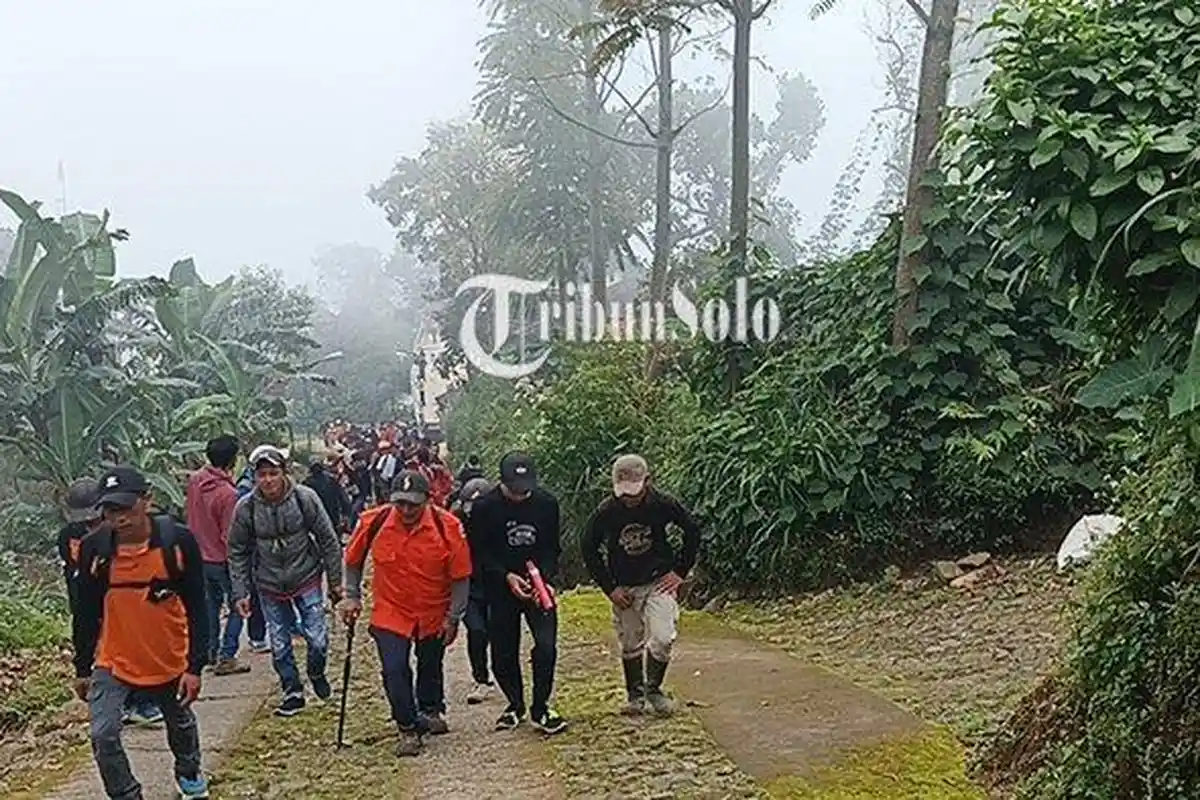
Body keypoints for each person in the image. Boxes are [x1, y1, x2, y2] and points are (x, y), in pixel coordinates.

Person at [71, 466, 211, 799]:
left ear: (146, 500)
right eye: (110, 509)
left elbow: (197, 605)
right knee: (103, 734)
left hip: (168, 653)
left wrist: (195, 666)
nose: (118, 517)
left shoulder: (177, 542)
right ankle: (125, 794)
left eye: (124, 507)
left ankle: (189, 771)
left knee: (179, 722)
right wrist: (82, 668)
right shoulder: (95, 549)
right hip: (114, 656)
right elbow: (86, 613)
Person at [340, 470, 472, 756]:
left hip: (433, 609)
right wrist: (351, 596)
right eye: (400, 503)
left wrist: (454, 617)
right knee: (394, 668)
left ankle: (431, 707)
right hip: (391, 609)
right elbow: (352, 560)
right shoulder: (373, 522)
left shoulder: (447, 526)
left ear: (428, 499)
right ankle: (408, 727)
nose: (406, 510)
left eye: (413, 504)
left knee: (430, 661)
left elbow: (460, 577)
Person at [227, 445, 344, 717]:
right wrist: (240, 592)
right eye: (262, 474)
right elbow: (237, 551)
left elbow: (328, 538)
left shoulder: (305, 498)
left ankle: (316, 672)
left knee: (317, 637)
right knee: (279, 643)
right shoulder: (246, 508)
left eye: (273, 473)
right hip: (268, 581)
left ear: (284, 473)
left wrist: (336, 581)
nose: (267, 480)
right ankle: (292, 690)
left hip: (306, 575)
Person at [582, 454, 702, 716]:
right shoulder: (607, 510)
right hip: (624, 586)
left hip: (659, 581)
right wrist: (609, 588)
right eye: (624, 493)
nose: (629, 498)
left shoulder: (662, 504)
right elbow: (589, 548)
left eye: (634, 492)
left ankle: (654, 689)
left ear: (647, 481)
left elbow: (691, 529)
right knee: (630, 641)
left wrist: (680, 571)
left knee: (663, 637)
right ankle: (635, 694)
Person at [471, 452, 567, 734]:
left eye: (525, 489)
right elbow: (479, 553)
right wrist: (505, 576)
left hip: (538, 584)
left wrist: (545, 579)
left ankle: (541, 706)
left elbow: (552, 548)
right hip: (500, 587)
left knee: (546, 646)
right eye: (514, 489)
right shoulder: (484, 508)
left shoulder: (547, 504)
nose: (520, 495)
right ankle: (515, 703)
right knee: (502, 652)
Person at [59, 478, 165, 728]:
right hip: (89, 602)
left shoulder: (121, 532)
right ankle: (123, 703)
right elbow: (73, 572)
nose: (90, 523)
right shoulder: (70, 536)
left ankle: (142, 701)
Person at [185, 435, 252, 676]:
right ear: (233, 461)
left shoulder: (195, 482)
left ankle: (210, 653)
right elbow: (229, 536)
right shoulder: (227, 494)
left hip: (198, 556)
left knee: (210, 607)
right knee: (239, 604)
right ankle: (227, 655)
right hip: (222, 559)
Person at [453, 477, 495, 704]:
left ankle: (502, 675)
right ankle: (481, 678)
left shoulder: (498, 520)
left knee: (495, 632)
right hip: (467, 586)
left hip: (494, 585)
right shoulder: (455, 524)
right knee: (476, 631)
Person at [303, 459, 353, 540]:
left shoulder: (307, 482)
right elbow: (343, 497)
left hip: (317, 515)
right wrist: (346, 512)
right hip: (331, 514)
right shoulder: (331, 479)